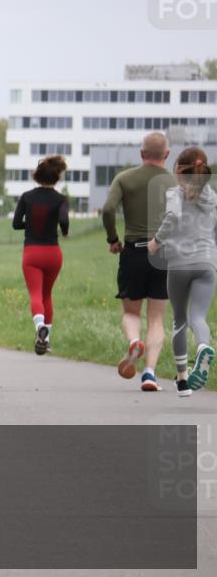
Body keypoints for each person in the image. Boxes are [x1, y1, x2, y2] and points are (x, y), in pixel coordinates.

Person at [102, 132, 177, 391]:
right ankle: (149, 374)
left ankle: (135, 342)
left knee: (131, 312)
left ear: (142, 153)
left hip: (133, 252)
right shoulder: (174, 183)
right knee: (156, 319)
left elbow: (108, 209)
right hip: (163, 254)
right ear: (167, 155)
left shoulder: (124, 178)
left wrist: (113, 239)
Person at [148, 147, 217, 396]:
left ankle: (183, 380)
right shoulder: (213, 197)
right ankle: (203, 347)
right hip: (207, 264)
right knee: (198, 317)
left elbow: (173, 216)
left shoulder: (175, 193)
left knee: (179, 319)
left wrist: (156, 241)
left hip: (179, 264)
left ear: (178, 170)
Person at [12, 155, 69, 355]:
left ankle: (39, 327)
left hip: (32, 253)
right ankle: (47, 340)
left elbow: (16, 224)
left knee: (35, 294)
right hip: (53, 253)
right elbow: (64, 220)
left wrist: (31, 224)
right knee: (47, 295)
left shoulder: (26, 197)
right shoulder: (61, 199)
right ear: (57, 176)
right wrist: (64, 231)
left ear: (37, 175)